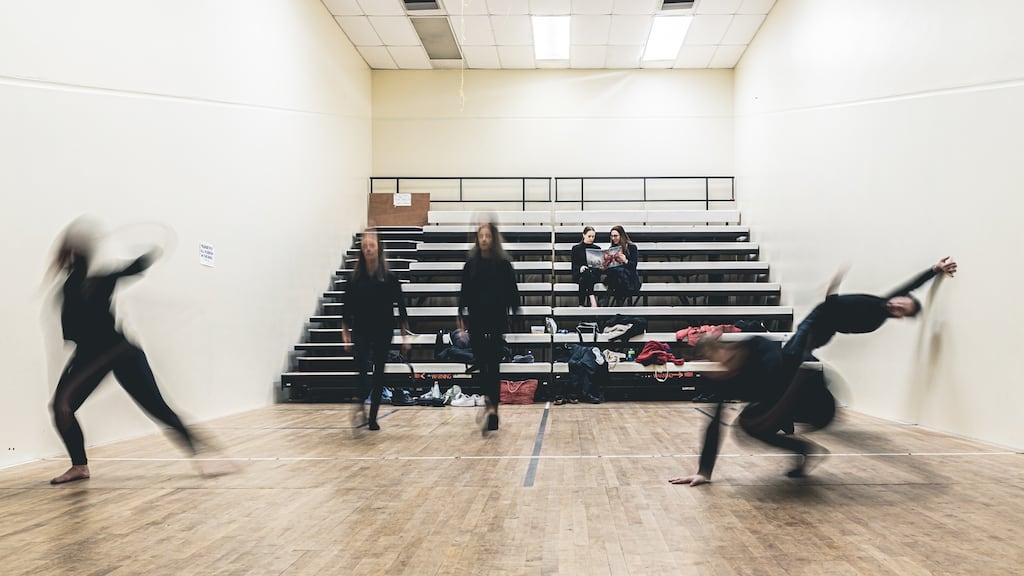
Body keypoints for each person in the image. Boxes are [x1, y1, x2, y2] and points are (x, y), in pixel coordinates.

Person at [46, 218, 204, 484]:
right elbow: (127, 268)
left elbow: (134, 267)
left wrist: (156, 247)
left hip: (112, 351)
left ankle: (203, 456)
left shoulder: (96, 281)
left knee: (65, 405)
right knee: (62, 407)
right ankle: (80, 467)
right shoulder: (76, 282)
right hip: (99, 353)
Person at [790, 256, 958, 358]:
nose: (897, 303)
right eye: (902, 300)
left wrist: (833, 287)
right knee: (792, 353)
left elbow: (833, 313)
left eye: (902, 308)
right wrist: (936, 269)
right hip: (818, 322)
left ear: (899, 316)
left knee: (792, 354)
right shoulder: (882, 302)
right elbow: (914, 284)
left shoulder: (874, 319)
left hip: (819, 328)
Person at [342, 226, 410, 432]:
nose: (368, 249)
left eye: (372, 245)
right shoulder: (354, 279)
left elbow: (401, 308)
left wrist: (405, 335)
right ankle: (362, 401)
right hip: (361, 329)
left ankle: (373, 417)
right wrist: (345, 334)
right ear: (361, 250)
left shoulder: (389, 278)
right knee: (362, 368)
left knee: (379, 372)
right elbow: (346, 309)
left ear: (379, 248)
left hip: (383, 329)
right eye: (365, 246)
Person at [458, 219, 520, 435]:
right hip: (476, 319)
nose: (484, 239)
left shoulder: (502, 263)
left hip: (495, 319)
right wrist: (461, 317)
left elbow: (513, 292)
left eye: (488, 236)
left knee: (493, 366)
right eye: (481, 236)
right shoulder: (471, 263)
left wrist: (515, 314)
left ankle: (493, 409)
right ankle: (488, 400)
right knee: (481, 364)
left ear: (493, 239)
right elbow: (463, 292)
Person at [602, 225, 641, 306]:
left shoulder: (631, 247)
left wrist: (625, 261)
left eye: (615, 236)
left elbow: (633, 266)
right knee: (616, 273)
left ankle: (606, 298)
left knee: (618, 271)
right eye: (612, 236)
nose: (613, 238)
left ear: (621, 235)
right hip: (617, 280)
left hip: (630, 279)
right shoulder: (612, 249)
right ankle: (615, 302)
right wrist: (605, 265)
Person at [570, 226, 601, 307]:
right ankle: (592, 297)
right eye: (589, 236)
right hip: (580, 273)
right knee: (584, 275)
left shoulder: (597, 249)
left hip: (593, 275)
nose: (591, 238)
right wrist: (580, 268)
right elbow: (574, 265)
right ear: (584, 235)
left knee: (584, 278)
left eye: (593, 236)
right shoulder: (576, 248)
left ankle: (581, 304)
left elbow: (598, 267)